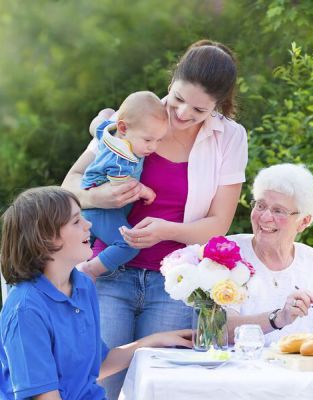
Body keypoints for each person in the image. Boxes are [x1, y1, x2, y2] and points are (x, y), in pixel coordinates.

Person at [61, 40, 247, 399]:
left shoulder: (230, 138)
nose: (181, 113)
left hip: (174, 283)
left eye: (198, 109)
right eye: (177, 99)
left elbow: (219, 222)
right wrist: (98, 196)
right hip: (106, 272)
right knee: (93, 382)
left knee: (163, 387)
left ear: (218, 105)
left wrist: (167, 231)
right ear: (172, 80)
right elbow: (69, 185)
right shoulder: (135, 115)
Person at [0, 187, 192, 400]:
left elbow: (98, 364)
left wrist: (154, 340)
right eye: (76, 221)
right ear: (45, 238)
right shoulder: (25, 310)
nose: (88, 224)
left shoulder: (82, 285)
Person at [226, 164, 313, 345]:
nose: (265, 217)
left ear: (303, 222)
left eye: (278, 211)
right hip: (242, 369)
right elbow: (218, 329)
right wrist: (278, 318)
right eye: (260, 205)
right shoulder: (228, 253)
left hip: (304, 371)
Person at [79, 91, 167, 277]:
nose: (153, 147)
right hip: (102, 210)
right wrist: (145, 191)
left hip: (93, 210)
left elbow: (99, 126)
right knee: (128, 245)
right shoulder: (122, 157)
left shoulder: (111, 134)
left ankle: (75, 271)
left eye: (159, 140)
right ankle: (90, 270)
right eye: (148, 140)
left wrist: (104, 114)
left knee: (83, 246)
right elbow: (121, 187)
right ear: (124, 129)